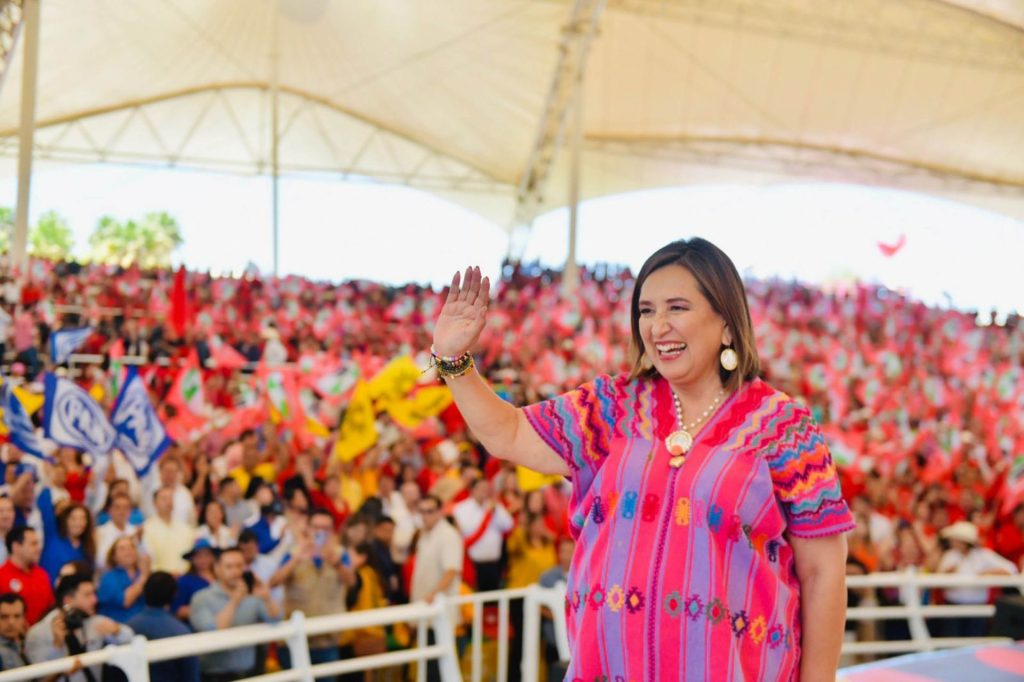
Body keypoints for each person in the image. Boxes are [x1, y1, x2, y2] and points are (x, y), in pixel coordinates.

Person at [431, 244, 855, 681]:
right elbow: (510, 434)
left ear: (727, 323)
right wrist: (455, 363)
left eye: (677, 307)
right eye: (646, 310)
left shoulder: (783, 426)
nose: (658, 326)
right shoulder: (612, 405)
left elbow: (823, 570)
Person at [272, 508, 357, 680]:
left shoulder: (340, 553)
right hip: (296, 639)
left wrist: (337, 563)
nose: (320, 532)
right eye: (316, 527)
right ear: (308, 529)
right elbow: (274, 582)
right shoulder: (293, 552)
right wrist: (296, 559)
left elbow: (352, 582)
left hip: (327, 638)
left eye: (326, 528)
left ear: (332, 531)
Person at [189, 547, 280, 680]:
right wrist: (235, 601)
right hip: (215, 675)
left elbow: (275, 619)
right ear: (217, 569)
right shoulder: (201, 598)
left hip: (250, 672)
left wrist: (267, 597)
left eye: (239, 566)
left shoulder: (252, 596)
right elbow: (213, 630)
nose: (236, 571)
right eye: (229, 567)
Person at [25, 573, 134, 681]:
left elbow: (130, 638)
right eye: (87, 595)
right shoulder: (38, 633)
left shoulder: (94, 622)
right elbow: (42, 677)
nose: (95, 600)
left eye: (94, 594)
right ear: (68, 600)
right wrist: (57, 646)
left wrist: (117, 631)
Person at [408, 495, 462, 682]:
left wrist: (433, 595)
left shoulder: (448, 535)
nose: (425, 516)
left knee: (437, 669)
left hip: (439, 612)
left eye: (429, 511)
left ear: (440, 512)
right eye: (421, 511)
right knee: (428, 665)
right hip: (425, 610)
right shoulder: (424, 534)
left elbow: (451, 570)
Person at [937, 520, 1017, 637]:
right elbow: (939, 580)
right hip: (953, 607)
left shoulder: (983, 556)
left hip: (976, 607)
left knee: (974, 641)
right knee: (952, 640)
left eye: (955, 539)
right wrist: (947, 573)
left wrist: (988, 573)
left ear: (964, 541)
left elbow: (1011, 569)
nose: (952, 541)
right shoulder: (950, 556)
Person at [127, 571, 201, 682]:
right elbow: (191, 675)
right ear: (174, 594)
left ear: (144, 591)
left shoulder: (128, 627)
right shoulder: (181, 631)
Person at [451, 475, 514, 591]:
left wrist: (495, 512)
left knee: (494, 600)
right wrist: (487, 515)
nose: (484, 492)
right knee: (475, 599)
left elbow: (509, 525)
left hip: (494, 563)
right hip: (472, 563)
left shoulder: (494, 506)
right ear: (472, 490)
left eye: (486, 489)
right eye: (481, 488)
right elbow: (467, 530)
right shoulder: (461, 508)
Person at [38, 488, 96, 582]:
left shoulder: (87, 547)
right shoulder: (52, 535)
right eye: (73, 518)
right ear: (65, 520)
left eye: (82, 518)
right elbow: (44, 499)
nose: (78, 523)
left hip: (71, 594)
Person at [0, 526, 54, 625]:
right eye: (33, 544)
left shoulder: (42, 574)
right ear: (16, 546)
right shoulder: (2, 576)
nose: (38, 548)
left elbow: (50, 606)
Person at [97, 537, 151, 623]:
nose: (128, 551)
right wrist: (144, 576)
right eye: (122, 549)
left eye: (131, 547)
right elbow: (125, 601)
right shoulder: (108, 578)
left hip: (146, 622)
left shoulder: (141, 573)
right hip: (120, 625)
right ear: (113, 556)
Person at [142, 486, 194, 575]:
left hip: (186, 576)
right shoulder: (146, 528)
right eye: (164, 498)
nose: (168, 502)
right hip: (160, 578)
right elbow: (149, 558)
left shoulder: (185, 528)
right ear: (154, 503)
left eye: (171, 498)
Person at [173, 539, 219, 621]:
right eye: (199, 556)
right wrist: (202, 612)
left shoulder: (221, 576)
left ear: (213, 557)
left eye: (207, 555)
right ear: (192, 559)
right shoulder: (184, 581)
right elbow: (177, 610)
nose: (203, 559)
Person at [95, 492, 138, 573]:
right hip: (109, 575)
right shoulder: (99, 532)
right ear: (109, 510)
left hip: (133, 574)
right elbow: (99, 562)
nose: (122, 511)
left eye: (126, 507)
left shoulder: (136, 531)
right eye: (117, 507)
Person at [0, 593, 28, 670]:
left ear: (24, 618)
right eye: (4, 617)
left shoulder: (27, 643)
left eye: (17, 616)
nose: (11, 622)